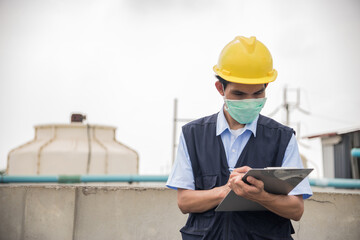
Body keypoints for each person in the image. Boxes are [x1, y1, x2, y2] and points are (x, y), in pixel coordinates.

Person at [166, 36, 312, 240]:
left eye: (257, 93)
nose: (250, 101)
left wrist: (260, 196)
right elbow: (185, 202)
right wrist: (226, 190)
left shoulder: (283, 138)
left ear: (266, 87)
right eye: (240, 94)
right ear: (220, 89)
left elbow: (296, 209)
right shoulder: (193, 135)